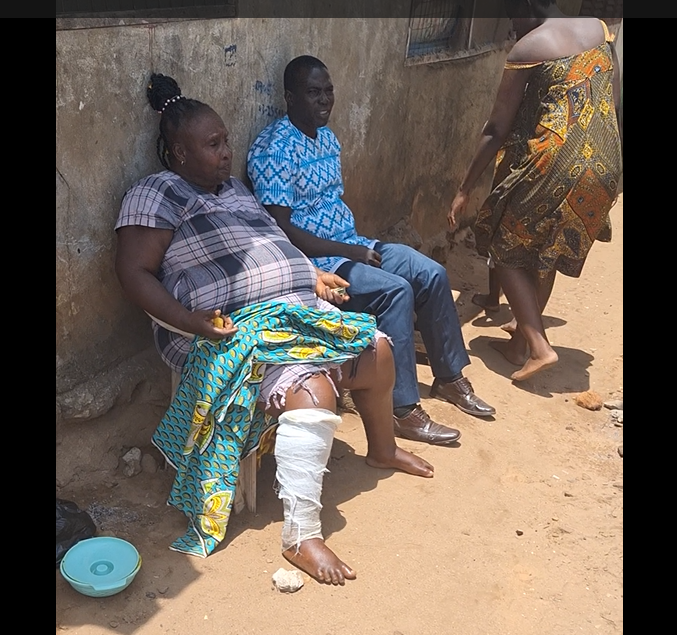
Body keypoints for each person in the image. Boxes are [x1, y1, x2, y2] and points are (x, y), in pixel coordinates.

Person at [115, 73, 434, 586]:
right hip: (225, 326)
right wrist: (188, 321)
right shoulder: (155, 194)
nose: (226, 153)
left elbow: (270, 242)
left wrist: (310, 274)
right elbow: (133, 273)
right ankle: (301, 534)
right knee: (313, 391)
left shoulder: (236, 189)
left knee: (376, 350)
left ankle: (381, 447)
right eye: (213, 144)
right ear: (176, 153)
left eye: (226, 141)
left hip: (291, 309)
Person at [247, 56, 496, 447]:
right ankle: (401, 410)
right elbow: (281, 228)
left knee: (430, 274)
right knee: (395, 291)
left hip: (354, 245)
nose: (324, 100)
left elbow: (333, 206)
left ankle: (449, 378)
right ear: (290, 98)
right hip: (317, 262)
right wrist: (350, 251)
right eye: (313, 93)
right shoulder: (274, 147)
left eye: (328, 90)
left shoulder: (327, 139)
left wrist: (357, 247)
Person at [449, 2, 622, 382]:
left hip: (556, 162)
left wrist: (464, 189)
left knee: (501, 245)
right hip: (606, 165)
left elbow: (496, 128)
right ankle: (518, 344)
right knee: (547, 248)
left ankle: (540, 348)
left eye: (512, 17)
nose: (513, 28)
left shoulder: (531, 47)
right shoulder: (600, 30)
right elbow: (612, 102)